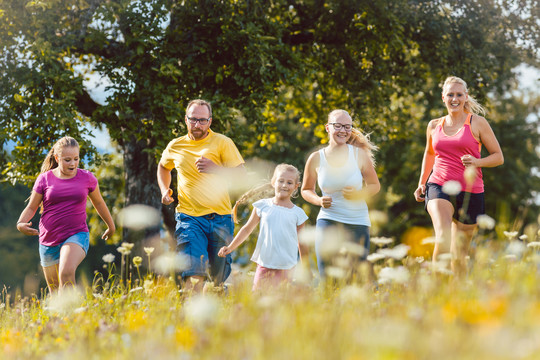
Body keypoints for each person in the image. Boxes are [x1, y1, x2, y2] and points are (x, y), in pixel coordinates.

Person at [414, 76, 504, 276]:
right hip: (438, 184)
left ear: (465, 97)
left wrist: (477, 162)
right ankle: (436, 291)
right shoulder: (433, 125)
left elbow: (499, 157)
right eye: (450, 94)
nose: (454, 99)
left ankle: (456, 297)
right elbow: (429, 154)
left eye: (459, 95)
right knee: (443, 237)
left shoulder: (478, 123)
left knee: (460, 256)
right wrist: (422, 182)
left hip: (471, 191)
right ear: (443, 97)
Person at [157, 99, 245, 292]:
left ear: (210, 121)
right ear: (186, 120)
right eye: (193, 119)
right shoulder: (175, 145)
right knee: (193, 273)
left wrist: (216, 169)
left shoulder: (223, 143)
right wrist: (165, 189)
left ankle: (215, 318)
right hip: (189, 218)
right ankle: (190, 319)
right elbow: (163, 167)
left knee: (217, 280)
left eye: (202, 120)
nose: (197, 124)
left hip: (221, 218)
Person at [16, 136, 115, 294]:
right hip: (48, 240)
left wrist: (111, 225)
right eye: (67, 160)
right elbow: (31, 207)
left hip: (77, 234)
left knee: (66, 273)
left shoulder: (87, 178)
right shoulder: (44, 179)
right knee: (55, 292)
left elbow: (99, 203)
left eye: (76, 159)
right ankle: (63, 318)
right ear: (57, 158)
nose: (73, 164)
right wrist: (20, 223)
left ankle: (77, 317)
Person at [301, 110, 380, 279]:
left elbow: (374, 186)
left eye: (347, 127)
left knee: (356, 277)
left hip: (357, 221)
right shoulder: (316, 158)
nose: (342, 130)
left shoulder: (359, 155)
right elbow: (306, 189)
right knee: (327, 276)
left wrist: (359, 194)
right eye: (337, 125)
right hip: (328, 219)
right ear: (327, 128)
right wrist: (319, 200)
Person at [218, 164, 309, 291]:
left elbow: (302, 243)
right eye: (280, 181)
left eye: (289, 182)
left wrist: (305, 269)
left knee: (280, 301)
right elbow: (247, 229)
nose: (284, 185)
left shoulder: (298, 214)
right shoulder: (262, 206)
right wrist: (230, 247)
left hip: (286, 267)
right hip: (264, 264)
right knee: (258, 298)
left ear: (296, 186)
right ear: (273, 182)